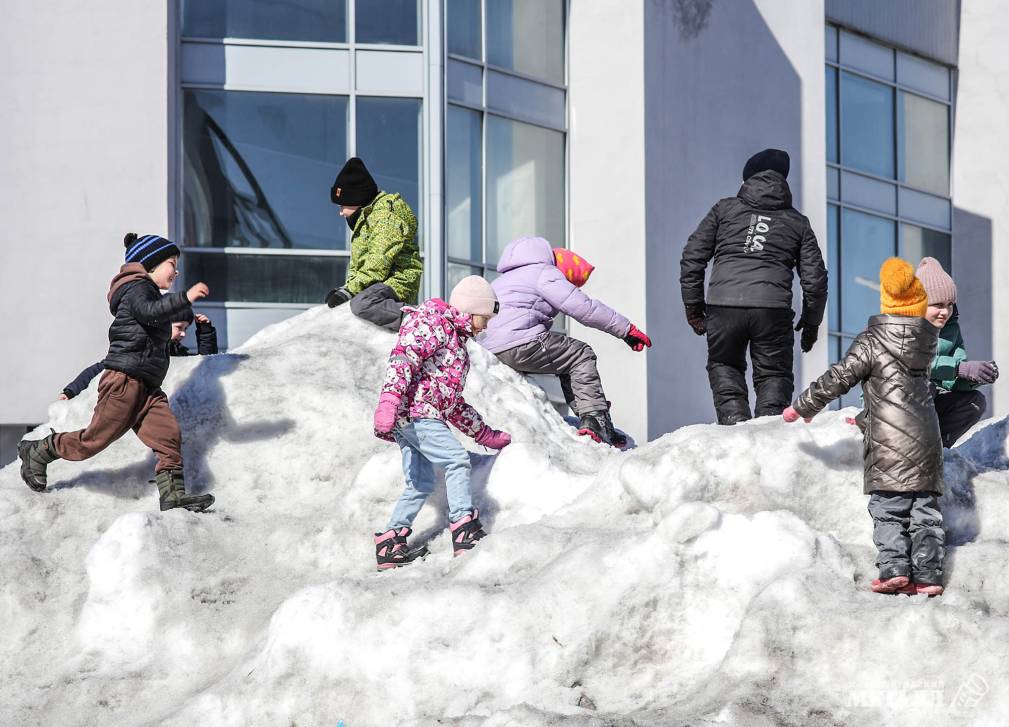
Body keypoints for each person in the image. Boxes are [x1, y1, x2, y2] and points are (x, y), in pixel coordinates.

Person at [17, 233, 216, 512]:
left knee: (167, 435)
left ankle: (172, 494)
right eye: (172, 263)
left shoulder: (147, 291)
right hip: (124, 380)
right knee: (94, 440)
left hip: (147, 386)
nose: (176, 270)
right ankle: (39, 450)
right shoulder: (135, 288)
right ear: (151, 264)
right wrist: (186, 297)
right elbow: (150, 312)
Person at [783, 258, 944, 596]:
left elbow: (840, 376)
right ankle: (928, 576)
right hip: (928, 441)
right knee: (924, 511)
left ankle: (895, 569)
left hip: (888, 442)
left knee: (889, 509)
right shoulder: (927, 342)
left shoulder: (872, 340)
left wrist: (804, 406)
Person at [372, 276, 511, 569]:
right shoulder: (432, 323)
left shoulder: (456, 343)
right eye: (484, 318)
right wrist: (388, 401)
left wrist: (484, 434)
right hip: (416, 412)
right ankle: (464, 527)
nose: (485, 326)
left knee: (420, 483)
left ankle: (390, 544)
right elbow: (403, 359)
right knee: (457, 460)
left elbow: (453, 402)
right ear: (470, 309)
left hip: (415, 415)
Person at [680, 148, 827, 425]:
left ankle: (734, 425)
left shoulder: (724, 210)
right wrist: (811, 324)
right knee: (773, 374)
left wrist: (694, 307)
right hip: (772, 311)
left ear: (746, 180)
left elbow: (692, 257)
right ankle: (767, 433)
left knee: (725, 365)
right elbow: (815, 280)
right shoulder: (797, 222)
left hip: (723, 308)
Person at [478, 237, 651, 447]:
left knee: (564, 359)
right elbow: (584, 308)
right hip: (521, 343)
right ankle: (595, 419)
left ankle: (595, 415)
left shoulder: (502, 280)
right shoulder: (545, 272)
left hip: (490, 350)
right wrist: (626, 330)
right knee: (580, 354)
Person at [323, 157, 423, 332]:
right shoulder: (366, 219)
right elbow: (359, 265)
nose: (341, 213)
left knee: (362, 304)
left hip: (398, 281)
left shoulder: (385, 217)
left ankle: (417, 321)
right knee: (351, 304)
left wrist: (350, 291)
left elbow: (378, 263)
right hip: (377, 284)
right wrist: (347, 289)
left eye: (342, 206)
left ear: (357, 199)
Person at [917, 257, 998, 447]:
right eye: (938, 305)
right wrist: (959, 368)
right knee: (924, 386)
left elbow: (951, 379)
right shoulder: (902, 326)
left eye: (949, 305)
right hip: (891, 405)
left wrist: (973, 379)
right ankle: (913, 448)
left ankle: (937, 448)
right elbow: (914, 361)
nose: (945, 311)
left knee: (975, 401)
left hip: (928, 403)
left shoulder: (951, 330)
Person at [59, 310, 218, 400]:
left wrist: (205, 332)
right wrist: (70, 392)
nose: (183, 334)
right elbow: (99, 369)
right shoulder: (140, 349)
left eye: (186, 329)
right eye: (179, 327)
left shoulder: (179, 353)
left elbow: (204, 367)